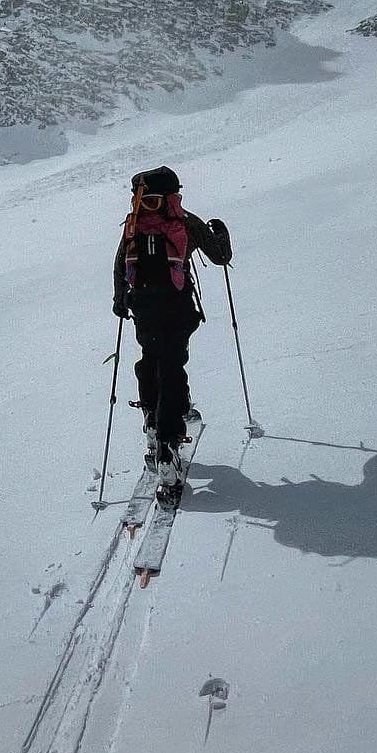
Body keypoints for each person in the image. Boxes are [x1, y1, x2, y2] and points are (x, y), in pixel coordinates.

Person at [112, 165, 230, 502]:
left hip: (143, 309)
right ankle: (168, 444)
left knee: (151, 358)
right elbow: (221, 256)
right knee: (172, 367)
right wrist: (220, 232)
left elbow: (121, 264)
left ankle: (152, 420)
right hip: (176, 309)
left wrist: (121, 301)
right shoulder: (183, 221)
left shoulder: (134, 224)